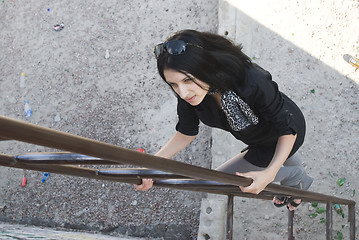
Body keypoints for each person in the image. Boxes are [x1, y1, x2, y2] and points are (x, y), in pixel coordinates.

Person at [135, 29, 313, 211]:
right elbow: (186, 132)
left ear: (204, 67)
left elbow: (286, 128)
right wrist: (152, 164)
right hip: (257, 136)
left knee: (218, 181)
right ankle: (298, 180)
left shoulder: (251, 80)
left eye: (187, 80)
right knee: (277, 158)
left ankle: (295, 177)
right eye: (173, 84)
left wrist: (270, 174)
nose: (182, 92)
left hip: (286, 129)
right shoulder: (190, 93)